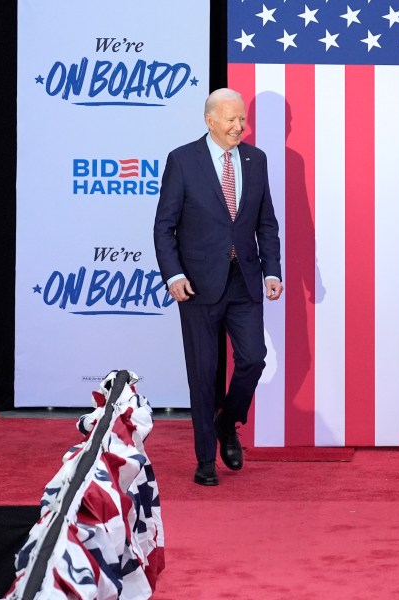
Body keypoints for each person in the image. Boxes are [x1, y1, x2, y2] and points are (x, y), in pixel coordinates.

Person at [154, 88, 283, 486]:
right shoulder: (182, 160)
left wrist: (272, 271)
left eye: (242, 119)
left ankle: (228, 422)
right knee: (204, 371)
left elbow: (266, 222)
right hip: (196, 286)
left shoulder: (256, 160)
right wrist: (174, 275)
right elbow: (164, 227)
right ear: (210, 120)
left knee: (253, 359)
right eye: (231, 119)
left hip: (243, 280)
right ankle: (205, 459)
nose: (239, 126)